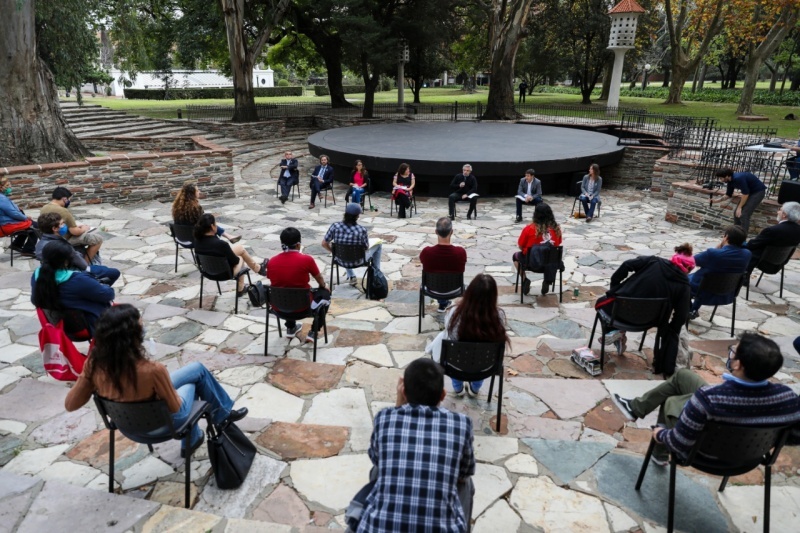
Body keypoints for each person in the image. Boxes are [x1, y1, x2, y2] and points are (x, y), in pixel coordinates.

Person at [64, 304, 248, 457]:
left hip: (127, 426)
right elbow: (176, 407)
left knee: (197, 369)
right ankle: (220, 418)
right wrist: (165, 386)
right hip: (163, 426)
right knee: (192, 381)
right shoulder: (153, 370)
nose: (143, 326)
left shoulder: (94, 364)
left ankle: (203, 432)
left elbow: (71, 404)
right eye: (140, 324)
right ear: (132, 335)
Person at [614, 333, 800, 466]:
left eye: (735, 352)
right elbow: (795, 436)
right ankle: (635, 408)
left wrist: (660, 434)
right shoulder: (789, 399)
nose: (732, 353)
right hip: (749, 456)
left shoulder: (708, 399)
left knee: (672, 401)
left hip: (703, 454)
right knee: (684, 376)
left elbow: (680, 442)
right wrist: (761, 438)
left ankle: (659, 453)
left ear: (738, 364)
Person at [353, 358, 475, 532]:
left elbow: (377, 459)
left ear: (404, 391)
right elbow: (466, 472)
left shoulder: (385, 418)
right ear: (442, 395)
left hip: (379, 528)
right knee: (466, 483)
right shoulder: (461, 424)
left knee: (379, 469)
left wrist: (398, 404)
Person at [597, 247, 691, 376]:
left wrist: (615, 285)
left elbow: (627, 264)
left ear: (674, 259)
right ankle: (618, 334)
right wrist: (670, 330)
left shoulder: (653, 261)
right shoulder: (684, 286)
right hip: (650, 321)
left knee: (601, 303)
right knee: (621, 307)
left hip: (619, 312)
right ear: (689, 270)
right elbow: (681, 316)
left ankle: (617, 331)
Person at [425, 274, 509, 397]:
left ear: (469, 292)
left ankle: (457, 387)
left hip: (456, 365)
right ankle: (475, 388)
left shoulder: (454, 313)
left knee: (454, 350)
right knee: (482, 354)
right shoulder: (499, 315)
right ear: (493, 296)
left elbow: (451, 336)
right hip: (485, 366)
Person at [30, 239, 115, 336]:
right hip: (85, 327)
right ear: (66, 261)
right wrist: (104, 286)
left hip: (56, 325)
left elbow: (35, 300)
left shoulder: (37, 276)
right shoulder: (77, 280)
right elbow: (108, 295)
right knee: (130, 316)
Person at [266, 227, 330, 340]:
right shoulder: (307, 260)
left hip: (279, 307)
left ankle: (290, 327)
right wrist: (323, 286)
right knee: (325, 294)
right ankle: (314, 331)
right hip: (304, 308)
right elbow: (319, 278)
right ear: (298, 245)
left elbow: (276, 280)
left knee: (285, 288)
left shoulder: (272, 261)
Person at [35, 212, 120, 286]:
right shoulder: (61, 245)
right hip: (70, 272)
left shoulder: (40, 244)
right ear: (55, 228)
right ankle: (97, 286)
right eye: (62, 224)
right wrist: (88, 268)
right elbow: (82, 263)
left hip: (58, 271)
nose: (65, 226)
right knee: (113, 272)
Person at [687, 225, 751, 320]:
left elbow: (691, 261)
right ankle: (693, 309)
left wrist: (717, 249)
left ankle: (689, 309)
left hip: (703, 289)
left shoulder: (713, 254)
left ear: (726, 237)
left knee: (682, 279)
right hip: (727, 291)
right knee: (707, 278)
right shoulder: (747, 254)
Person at [193, 214, 265, 295]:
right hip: (225, 273)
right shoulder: (221, 244)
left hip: (208, 272)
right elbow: (235, 261)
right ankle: (243, 285)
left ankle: (257, 269)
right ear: (212, 226)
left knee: (240, 248)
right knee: (241, 256)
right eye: (216, 224)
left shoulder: (197, 242)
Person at [322, 203, 383, 285]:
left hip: (340, 259)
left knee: (346, 249)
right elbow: (365, 247)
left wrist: (334, 252)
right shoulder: (361, 230)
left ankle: (351, 276)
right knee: (378, 244)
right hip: (358, 261)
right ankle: (376, 275)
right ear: (357, 216)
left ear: (345, 213)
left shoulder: (335, 226)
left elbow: (324, 243)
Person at [40, 187, 104, 264]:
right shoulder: (63, 211)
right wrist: (84, 228)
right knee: (97, 239)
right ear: (64, 199)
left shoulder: (44, 208)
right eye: (69, 199)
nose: (69, 201)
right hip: (64, 239)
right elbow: (75, 232)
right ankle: (85, 263)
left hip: (50, 237)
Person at [513, 203, 562, 296]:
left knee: (515, 256)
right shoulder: (557, 229)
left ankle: (524, 280)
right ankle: (547, 281)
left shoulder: (528, 229)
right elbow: (558, 244)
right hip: (551, 264)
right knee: (552, 255)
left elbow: (521, 245)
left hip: (532, 263)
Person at [420, 217, 467, 313]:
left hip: (432, 289)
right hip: (455, 289)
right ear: (452, 232)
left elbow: (423, 261)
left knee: (439, 278)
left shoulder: (427, 252)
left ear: (436, 232)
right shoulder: (460, 252)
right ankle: (445, 304)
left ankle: (443, 303)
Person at [172, 182, 241, 243]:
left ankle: (228, 236)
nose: (199, 192)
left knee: (208, 222)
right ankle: (226, 238)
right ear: (192, 194)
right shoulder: (195, 208)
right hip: (194, 238)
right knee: (209, 223)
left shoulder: (177, 206)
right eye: (197, 190)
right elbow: (202, 224)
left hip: (181, 238)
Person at [745, 201, 800, 273]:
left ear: (784, 215)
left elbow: (752, 245)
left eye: (780, 210)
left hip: (763, 261)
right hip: (780, 263)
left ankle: (743, 277)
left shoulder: (772, 230)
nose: (778, 212)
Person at [711, 168, 767, 236]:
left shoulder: (738, 178)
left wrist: (739, 207)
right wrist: (716, 201)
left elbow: (745, 194)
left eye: (721, 178)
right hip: (749, 193)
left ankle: (743, 237)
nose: (720, 180)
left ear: (727, 176)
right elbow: (728, 195)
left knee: (744, 214)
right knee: (736, 214)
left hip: (758, 192)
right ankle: (736, 234)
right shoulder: (729, 181)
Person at [0, 176, 38, 254]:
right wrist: (25, 217)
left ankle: (17, 244)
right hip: (7, 225)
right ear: (1, 187)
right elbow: (13, 213)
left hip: (5, 223)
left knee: (28, 227)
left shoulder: (2, 197)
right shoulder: (2, 199)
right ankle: (28, 250)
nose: (9, 187)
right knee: (36, 227)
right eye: (7, 185)